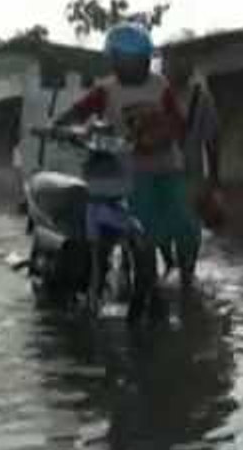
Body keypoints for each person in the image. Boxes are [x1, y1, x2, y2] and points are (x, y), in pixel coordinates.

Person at [51, 22, 200, 305]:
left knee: (187, 225)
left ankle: (187, 280)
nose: (132, 67)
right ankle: (138, 277)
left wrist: (164, 136)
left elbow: (180, 124)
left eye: (138, 61)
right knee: (143, 224)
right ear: (117, 61)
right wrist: (59, 125)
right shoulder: (106, 90)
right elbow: (77, 112)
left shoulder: (161, 87)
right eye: (125, 61)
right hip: (130, 173)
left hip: (168, 168)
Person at [162, 53, 221, 287]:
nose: (172, 67)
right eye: (169, 61)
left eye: (178, 61)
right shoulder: (156, 94)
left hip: (190, 174)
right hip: (159, 171)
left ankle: (186, 275)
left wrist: (214, 179)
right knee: (161, 226)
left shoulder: (200, 97)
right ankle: (169, 265)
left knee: (189, 229)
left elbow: (213, 139)